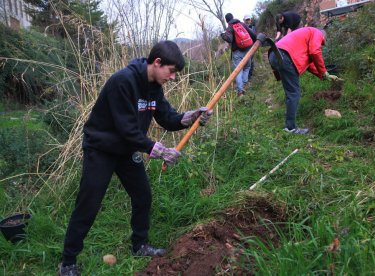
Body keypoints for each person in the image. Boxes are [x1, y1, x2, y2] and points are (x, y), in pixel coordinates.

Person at [58, 40, 213, 276]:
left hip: (126, 150)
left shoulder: (154, 87)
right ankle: (68, 261)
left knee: (142, 195)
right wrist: (159, 151)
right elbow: (127, 129)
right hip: (101, 148)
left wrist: (190, 117)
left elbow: (167, 118)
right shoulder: (123, 81)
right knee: (89, 202)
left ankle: (140, 245)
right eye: (171, 72)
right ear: (157, 62)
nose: (172, 78)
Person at [268, 27, 341, 135]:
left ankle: (289, 125)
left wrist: (323, 75)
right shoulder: (317, 33)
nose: (320, 44)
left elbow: (309, 63)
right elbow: (315, 51)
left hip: (274, 54)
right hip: (285, 56)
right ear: (323, 36)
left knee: (290, 93)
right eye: (322, 42)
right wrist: (324, 71)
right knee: (293, 93)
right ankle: (291, 128)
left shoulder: (305, 35)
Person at [221, 13, 256, 97]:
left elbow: (229, 39)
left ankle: (240, 91)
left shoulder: (230, 27)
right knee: (247, 67)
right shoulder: (242, 24)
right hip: (248, 50)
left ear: (226, 20)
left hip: (237, 52)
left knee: (238, 71)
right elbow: (253, 34)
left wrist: (223, 35)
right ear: (233, 17)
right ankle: (243, 86)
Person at [243, 14, 256, 82]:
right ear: (244, 20)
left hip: (252, 46)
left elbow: (255, 36)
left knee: (251, 61)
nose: (248, 21)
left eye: (249, 19)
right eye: (247, 20)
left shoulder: (253, 27)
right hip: (245, 47)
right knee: (246, 62)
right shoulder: (242, 28)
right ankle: (246, 77)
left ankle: (249, 76)